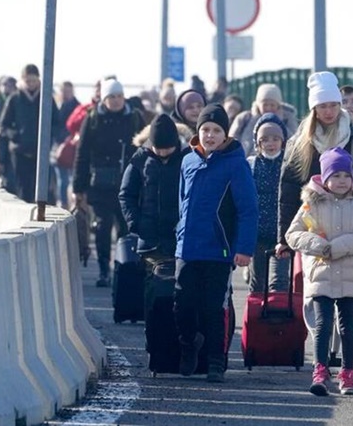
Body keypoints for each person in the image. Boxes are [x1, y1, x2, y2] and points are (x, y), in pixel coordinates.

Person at [175, 104, 258, 383]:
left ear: (225, 134)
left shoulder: (236, 164)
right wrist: (179, 234)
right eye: (205, 130)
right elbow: (182, 202)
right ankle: (188, 344)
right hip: (187, 247)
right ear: (198, 132)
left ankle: (215, 361)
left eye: (216, 130)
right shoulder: (188, 161)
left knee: (214, 308)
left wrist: (244, 248)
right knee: (182, 304)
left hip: (219, 250)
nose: (210, 135)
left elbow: (248, 209)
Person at [285, 147, 353, 396]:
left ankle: (348, 373)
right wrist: (317, 245)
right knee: (323, 325)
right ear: (324, 178)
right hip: (321, 273)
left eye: (346, 176)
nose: (341, 181)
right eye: (335, 176)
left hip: (349, 273)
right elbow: (293, 234)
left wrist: (338, 247)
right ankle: (321, 370)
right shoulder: (310, 205)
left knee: (348, 326)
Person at [276, 71, 353, 260]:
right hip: (314, 225)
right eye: (323, 106)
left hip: (350, 221)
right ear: (314, 109)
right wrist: (284, 238)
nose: (329, 112)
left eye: (334, 105)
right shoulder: (301, 142)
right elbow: (288, 189)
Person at [73, 78, 144, 287]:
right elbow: (82, 153)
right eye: (111, 97)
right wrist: (79, 187)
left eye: (119, 96)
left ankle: (123, 269)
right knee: (102, 228)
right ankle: (104, 269)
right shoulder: (93, 119)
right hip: (100, 186)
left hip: (128, 184)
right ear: (104, 99)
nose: (116, 100)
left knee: (126, 229)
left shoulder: (134, 117)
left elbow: (145, 149)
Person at [119, 114, 185, 321]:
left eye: (168, 149)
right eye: (159, 149)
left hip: (180, 238)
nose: (164, 153)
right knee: (154, 289)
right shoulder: (139, 160)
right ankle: (154, 333)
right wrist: (136, 224)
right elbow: (126, 195)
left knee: (179, 290)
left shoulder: (187, 159)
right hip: (150, 240)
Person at [0, 64, 63, 202]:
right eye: (28, 81)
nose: (31, 84)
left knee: (42, 191)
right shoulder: (15, 99)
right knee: (23, 190)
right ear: (23, 81)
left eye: (33, 80)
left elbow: (57, 123)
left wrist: (48, 138)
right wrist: (15, 136)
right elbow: (3, 126)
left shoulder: (46, 98)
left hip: (41, 154)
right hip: (20, 153)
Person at [246, 113, 289, 293]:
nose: (270, 144)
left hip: (282, 234)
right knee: (257, 282)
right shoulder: (251, 164)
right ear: (258, 143)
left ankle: (279, 318)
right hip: (258, 234)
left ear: (283, 141)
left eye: (275, 139)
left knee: (279, 283)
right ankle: (256, 319)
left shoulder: (289, 164)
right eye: (265, 139)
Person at [229, 83, 298, 157]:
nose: (268, 108)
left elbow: (294, 141)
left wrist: (278, 122)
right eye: (265, 105)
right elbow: (231, 142)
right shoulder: (244, 118)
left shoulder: (287, 118)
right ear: (258, 105)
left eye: (272, 105)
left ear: (278, 105)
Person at [53, 81, 80, 208]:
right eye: (64, 91)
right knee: (61, 180)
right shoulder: (56, 106)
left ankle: (72, 204)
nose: (66, 94)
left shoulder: (78, 108)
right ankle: (62, 203)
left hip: (73, 148)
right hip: (58, 148)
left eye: (68, 91)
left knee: (71, 179)